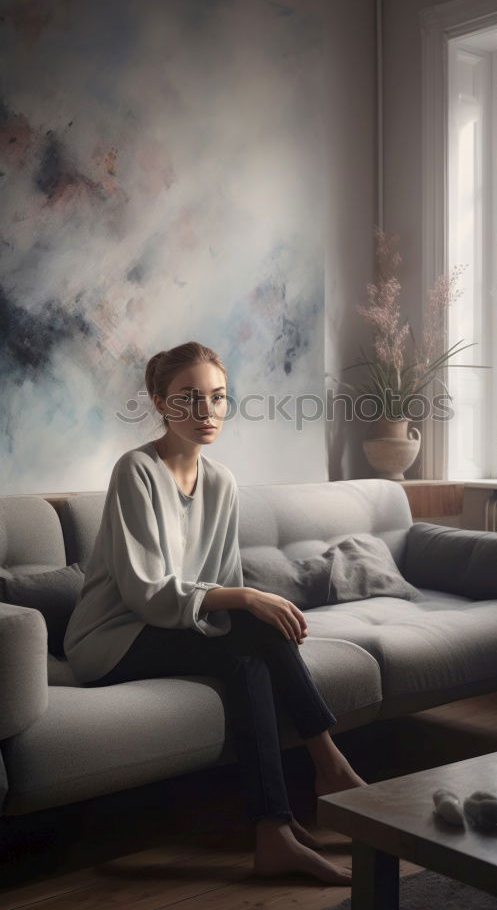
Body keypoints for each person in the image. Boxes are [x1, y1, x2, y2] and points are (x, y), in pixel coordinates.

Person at [64, 341, 367, 884]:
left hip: (180, 626)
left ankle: (273, 832)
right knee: (253, 620)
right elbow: (147, 594)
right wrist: (248, 598)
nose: (206, 413)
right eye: (188, 399)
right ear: (159, 403)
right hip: (112, 640)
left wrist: (242, 598)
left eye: (218, 398)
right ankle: (331, 767)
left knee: (248, 658)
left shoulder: (223, 482)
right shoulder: (135, 470)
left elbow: (220, 581)